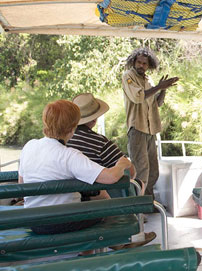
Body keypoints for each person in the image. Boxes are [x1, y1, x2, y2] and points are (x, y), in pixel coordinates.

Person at [18, 100, 131, 235]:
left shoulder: (29, 146)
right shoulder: (69, 155)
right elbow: (111, 177)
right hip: (63, 221)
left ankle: (93, 250)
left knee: (93, 199)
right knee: (105, 206)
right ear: (73, 128)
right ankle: (114, 245)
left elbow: (21, 183)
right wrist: (122, 164)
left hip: (33, 222)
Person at [68, 93, 155, 249]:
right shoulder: (100, 142)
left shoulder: (62, 142)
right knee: (135, 183)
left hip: (67, 200)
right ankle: (128, 234)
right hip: (92, 198)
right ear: (94, 119)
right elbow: (131, 171)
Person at [122, 47, 179, 197]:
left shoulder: (148, 80)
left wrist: (163, 89)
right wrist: (159, 86)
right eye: (139, 62)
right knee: (141, 170)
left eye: (144, 63)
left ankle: (148, 202)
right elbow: (138, 97)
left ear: (149, 65)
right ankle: (139, 208)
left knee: (153, 171)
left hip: (150, 131)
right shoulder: (128, 76)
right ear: (133, 62)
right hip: (137, 129)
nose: (141, 65)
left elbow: (157, 104)